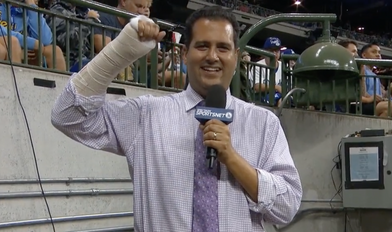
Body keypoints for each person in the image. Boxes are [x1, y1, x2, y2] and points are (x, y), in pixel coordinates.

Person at [51, 6, 302, 231]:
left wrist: (233, 159)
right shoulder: (146, 115)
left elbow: (287, 208)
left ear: (235, 57)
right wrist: (120, 53)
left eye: (222, 48)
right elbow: (67, 115)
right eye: (202, 46)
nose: (212, 56)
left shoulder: (263, 124)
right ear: (184, 54)